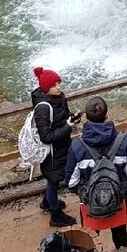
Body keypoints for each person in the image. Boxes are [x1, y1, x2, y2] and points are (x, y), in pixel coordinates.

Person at [66, 96, 127, 250]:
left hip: (90, 207)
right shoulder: (124, 142)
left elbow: (71, 182)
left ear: (87, 118)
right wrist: (120, 192)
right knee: (121, 240)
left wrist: (86, 195)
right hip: (118, 204)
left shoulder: (77, 147)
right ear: (107, 115)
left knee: (89, 242)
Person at [31, 66, 78, 228]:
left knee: (55, 179)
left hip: (62, 147)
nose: (59, 87)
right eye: (54, 85)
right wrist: (67, 127)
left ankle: (47, 201)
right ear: (46, 88)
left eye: (59, 83)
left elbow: (63, 117)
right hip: (52, 152)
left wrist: (72, 119)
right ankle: (56, 215)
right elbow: (46, 137)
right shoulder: (43, 107)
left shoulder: (59, 97)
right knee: (53, 180)